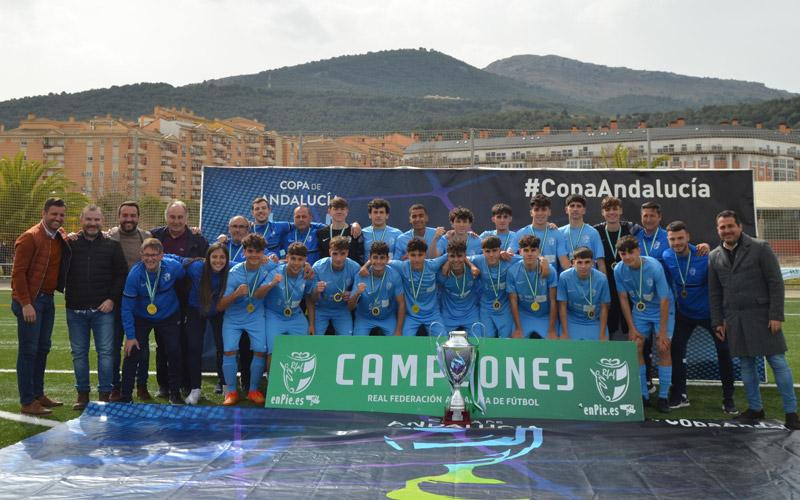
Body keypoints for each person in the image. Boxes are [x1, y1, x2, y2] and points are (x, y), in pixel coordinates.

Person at [709, 210, 799, 429]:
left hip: (763, 318)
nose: (727, 230)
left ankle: (792, 414)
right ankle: (755, 409)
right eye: (722, 227)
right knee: (746, 365)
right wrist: (718, 321)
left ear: (740, 227)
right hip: (735, 319)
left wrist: (776, 315)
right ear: (718, 230)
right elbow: (715, 292)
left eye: (730, 226)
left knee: (778, 362)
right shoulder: (714, 256)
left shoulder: (760, 248)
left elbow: (776, 283)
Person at [662, 221, 737, 414]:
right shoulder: (667, 255)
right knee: (676, 351)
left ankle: (729, 398)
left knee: (724, 352)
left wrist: (722, 318)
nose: (676, 242)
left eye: (680, 238)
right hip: (684, 314)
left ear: (688, 237)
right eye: (672, 239)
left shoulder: (705, 256)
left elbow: (721, 287)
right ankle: (680, 394)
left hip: (710, 314)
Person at [11, 197, 72, 415]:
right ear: (44, 213)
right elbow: (17, 273)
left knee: (43, 349)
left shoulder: (59, 236)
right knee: (28, 351)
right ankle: (27, 402)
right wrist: (26, 304)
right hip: (30, 301)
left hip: (47, 300)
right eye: (54, 214)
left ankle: (38, 394)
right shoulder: (30, 237)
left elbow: (68, 237)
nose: (58, 218)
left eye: (61, 215)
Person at [64, 205, 127, 410]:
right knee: (79, 354)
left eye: (96, 220)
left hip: (104, 311)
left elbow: (121, 275)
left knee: (106, 353)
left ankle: (104, 395)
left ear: (102, 221)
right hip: (75, 309)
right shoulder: (69, 245)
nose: (92, 223)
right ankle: (82, 394)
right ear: (81, 221)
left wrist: (111, 299)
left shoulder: (112, 245)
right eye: (89, 219)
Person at [150, 200, 209, 398]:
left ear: (186, 218)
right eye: (172, 217)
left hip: (189, 300)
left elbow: (207, 268)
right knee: (163, 343)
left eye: (180, 217)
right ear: (166, 217)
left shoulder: (198, 240)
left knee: (188, 342)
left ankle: (187, 384)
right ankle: (164, 385)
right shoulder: (154, 236)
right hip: (161, 299)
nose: (176, 221)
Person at [119, 238, 186, 405]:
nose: (150, 259)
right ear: (141, 256)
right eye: (146, 255)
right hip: (142, 317)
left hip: (169, 315)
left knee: (174, 351)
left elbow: (187, 271)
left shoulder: (173, 267)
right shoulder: (134, 275)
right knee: (132, 351)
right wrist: (130, 336)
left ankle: (175, 393)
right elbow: (126, 308)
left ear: (161, 255)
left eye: (154, 255)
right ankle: (125, 396)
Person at [217, 234, 279, 406]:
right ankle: (231, 392)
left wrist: (308, 268)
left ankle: (253, 390)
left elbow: (285, 265)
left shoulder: (268, 265)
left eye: (258, 252)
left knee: (260, 350)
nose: (254, 255)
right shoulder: (234, 273)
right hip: (234, 318)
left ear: (263, 253)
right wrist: (236, 294)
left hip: (256, 316)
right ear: (244, 252)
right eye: (250, 251)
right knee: (229, 350)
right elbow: (220, 306)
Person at [614, 235, 673, 413]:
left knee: (663, 348)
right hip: (640, 311)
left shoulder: (654, 266)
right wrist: (631, 328)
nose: (627, 257)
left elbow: (664, 300)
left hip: (661, 310)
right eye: (622, 253)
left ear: (638, 251)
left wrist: (662, 333)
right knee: (636, 346)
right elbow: (623, 298)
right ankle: (643, 395)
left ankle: (663, 396)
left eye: (630, 252)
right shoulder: (619, 269)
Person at [175, 243, 230, 405]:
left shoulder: (231, 269)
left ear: (227, 259)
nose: (218, 261)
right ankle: (195, 389)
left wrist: (268, 259)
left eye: (222, 257)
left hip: (218, 311)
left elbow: (250, 264)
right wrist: (162, 256)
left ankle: (227, 387)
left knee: (224, 346)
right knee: (194, 346)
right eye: (214, 256)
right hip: (196, 310)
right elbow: (176, 259)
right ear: (208, 258)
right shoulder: (196, 267)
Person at [107, 201, 152, 401]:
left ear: (138, 217)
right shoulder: (109, 237)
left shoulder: (147, 237)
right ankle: (115, 387)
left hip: (141, 303)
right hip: (116, 302)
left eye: (132, 215)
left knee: (141, 347)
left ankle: (142, 386)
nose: (129, 219)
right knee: (115, 347)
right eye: (125, 215)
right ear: (119, 217)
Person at [264, 242, 317, 369]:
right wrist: (271, 284)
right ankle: (272, 384)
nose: (296, 263)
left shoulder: (307, 274)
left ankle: (297, 383)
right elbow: (260, 294)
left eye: (300, 259)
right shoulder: (276, 272)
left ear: (305, 260)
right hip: (274, 315)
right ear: (287, 257)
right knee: (272, 351)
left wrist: (311, 324)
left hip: (295, 316)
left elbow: (310, 300)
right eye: (293, 258)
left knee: (303, 352)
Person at [593, 196, 635, 341]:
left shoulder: (631, 228)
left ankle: (634, 359)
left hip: (628, 282)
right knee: (607, 324)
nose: (611, 212)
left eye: (615, 209)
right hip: (606, 283)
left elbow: (651, 234)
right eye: (607, 209)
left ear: (621, 210)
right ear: (602, 212)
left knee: (629, 324)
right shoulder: (595, 231)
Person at [387, 238, 448, 336]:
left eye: (420, 255)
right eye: (413, 255)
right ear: (408, 254)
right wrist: (365, 266)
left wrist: (448, 263)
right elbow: (382, 261)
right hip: (411, 316)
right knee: (406, 343)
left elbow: (451, 254)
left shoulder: (433, 264)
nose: (416, 259)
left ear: (425, 254)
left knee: (442, 341)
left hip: (432, 315)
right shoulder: (402, 266)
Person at [349, 241, 405, 336]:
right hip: (364, 318)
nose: (378, 261)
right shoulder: (361, 275)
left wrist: (398, 330)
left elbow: (401, 303)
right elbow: (350, 307)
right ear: (369, 259)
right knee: (358, 345)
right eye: (375, 258)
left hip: (387, 318)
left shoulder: (394, 275)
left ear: (387, 259)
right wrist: (357, 293)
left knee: (396, 344)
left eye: (382, 258)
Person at [470, 235, 522, 338]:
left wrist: (542, 260)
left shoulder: (509, 259)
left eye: (495, 250)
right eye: (487, 251)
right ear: (482, 251)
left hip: (505, 308)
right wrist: (471, 266)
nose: (491, 254)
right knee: (487, 340)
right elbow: (462, 258)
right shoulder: (478, 260)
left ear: (500, 250)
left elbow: (531, 258)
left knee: (506, 340)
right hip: (486, 308)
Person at [508, 235, 558, 339]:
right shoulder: (513, 271)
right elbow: (513, 301)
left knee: (553, 343)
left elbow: (553, 301)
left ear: (538, 251)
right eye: (526, 250)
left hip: (545, 316)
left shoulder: (550, 270)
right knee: (516, 342)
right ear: (520, 252)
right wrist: (518, 328)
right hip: (524, 315)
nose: (530, 254)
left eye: (533, 250)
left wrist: (552, 329)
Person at [556, 247, 610, 342]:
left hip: (593, 320)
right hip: (572, 320)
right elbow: (562, 306)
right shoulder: (564, 277)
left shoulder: (602, 279)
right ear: (573, 263)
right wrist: (564, 332)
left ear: (593, 263)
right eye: (579, 262)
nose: (583, 266)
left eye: (587, 262)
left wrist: (602, 335)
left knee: (598, 350)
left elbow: (604, 307)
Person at [311, 236, 361, 335]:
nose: (338, 258)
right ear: (330, 252)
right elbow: (312, 300)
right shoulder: (317, 267)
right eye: (335, 253)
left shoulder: (355, 268)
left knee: (346, 341)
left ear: (347, 252)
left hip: (342, 310)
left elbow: (352, 306)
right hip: (321, 309)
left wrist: (351, 295)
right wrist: (316, 291)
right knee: (314, 340)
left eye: (342, 254)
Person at [515, 195, 570, 271]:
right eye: (536, 210)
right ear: (531, 212)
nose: (540, 213)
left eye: (543, 209)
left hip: (550, 280)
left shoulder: (557, 234)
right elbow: (511, 257)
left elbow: (564, 262)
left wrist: (578, 272)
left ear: (549, 212)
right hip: (527, 280)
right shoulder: (521, 234)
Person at [437, 240, 481, 334]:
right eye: (452, 256)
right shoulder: (442, 273)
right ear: (447, 257)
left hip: (470, 314)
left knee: (479, 342)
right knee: (441, 342)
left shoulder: (473, 269)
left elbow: (490, 257)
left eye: (460, 256)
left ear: (465, 256)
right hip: (448, 315)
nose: (456, 260)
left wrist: (471, 265)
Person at [559, 194, 606, 273]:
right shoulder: (559, 233)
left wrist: (604, 284)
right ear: (566, 209)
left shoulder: (593, 233)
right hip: (567, 280)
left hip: (589, 280)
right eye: (572, 206)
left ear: (584, 210)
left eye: (579, 206)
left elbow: (600, 262)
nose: (575, 209)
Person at [317, 196, 364, 265]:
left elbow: (360, 255)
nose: (339, 212)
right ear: (329, 211)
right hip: (326, 273)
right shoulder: (321, 233)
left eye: (342, 209)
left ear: (347, 211)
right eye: (335, 209)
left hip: (350, 274)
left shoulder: (354, 231)